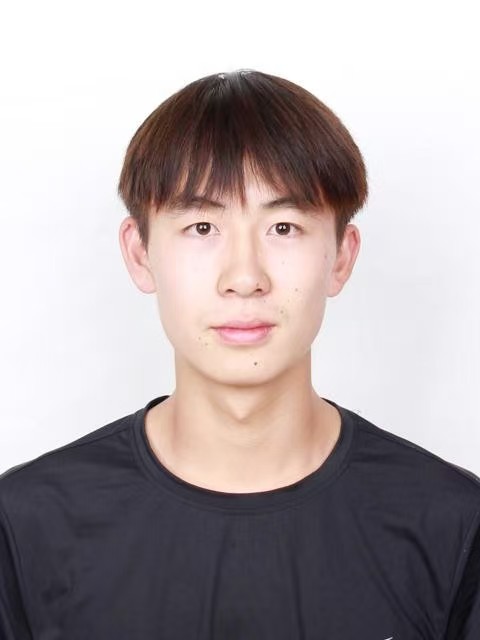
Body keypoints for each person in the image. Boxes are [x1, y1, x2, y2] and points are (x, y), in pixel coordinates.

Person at [0, 69, 479, 639]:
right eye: (203, 227)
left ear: (342, 257)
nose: (245, 277)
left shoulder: (453, 524)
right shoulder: (26, 525)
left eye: (284, 227)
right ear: (140, 253)